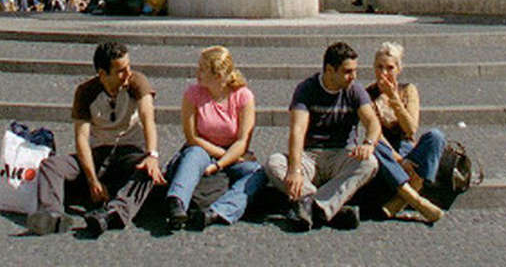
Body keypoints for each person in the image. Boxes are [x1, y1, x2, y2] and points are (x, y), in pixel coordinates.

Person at [25, 40, 166, 237]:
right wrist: (92, 180)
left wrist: (152, 155)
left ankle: (114, 213)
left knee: (148, 169)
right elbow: (81, 138)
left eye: (128, 67)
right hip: (98, 154)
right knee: (51, 165)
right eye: (120, 71)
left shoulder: (137, 82)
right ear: (102, 73)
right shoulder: (86, 92)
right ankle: (51, 213)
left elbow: (148, 119)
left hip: (129, 152)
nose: (128, 74)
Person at [266, 41, 381, 232]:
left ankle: (310, 206)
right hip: (310, 156)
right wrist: (294, 170)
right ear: (329, 70)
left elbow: (372, 122)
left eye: (355, 71)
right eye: (347, 71)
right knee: (274, 163)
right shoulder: (307, 89)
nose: (353, 76)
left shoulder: (355, 90)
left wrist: (369, 143)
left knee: (370, 162)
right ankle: (328, 208)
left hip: (342, 155)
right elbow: (297, 130)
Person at [163, 46, 265, 230]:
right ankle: (177, 202)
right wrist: (219, 156)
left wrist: (220, 164)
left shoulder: (243, 97)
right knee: (193, 154)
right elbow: (192, 137)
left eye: (202, 69)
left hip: (233, 154)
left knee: (257, 172)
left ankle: (219, 211)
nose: (197, 73)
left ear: (218, 75)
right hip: (202, 149)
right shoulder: (192, 94)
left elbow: (242, 141)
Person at [365, 41, 445, 223]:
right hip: (385, 151)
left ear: (399, 69)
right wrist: (399, 160)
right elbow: (375, 133)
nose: (384, 73)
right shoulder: (367, 95)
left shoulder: (408, 90)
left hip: (407, 146)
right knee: (373, 144)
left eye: (390, 68)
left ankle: (405, 195)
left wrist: (394, 98)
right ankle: (416, 200)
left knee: (436, 137)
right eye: (379, 67)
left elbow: (411, 128)